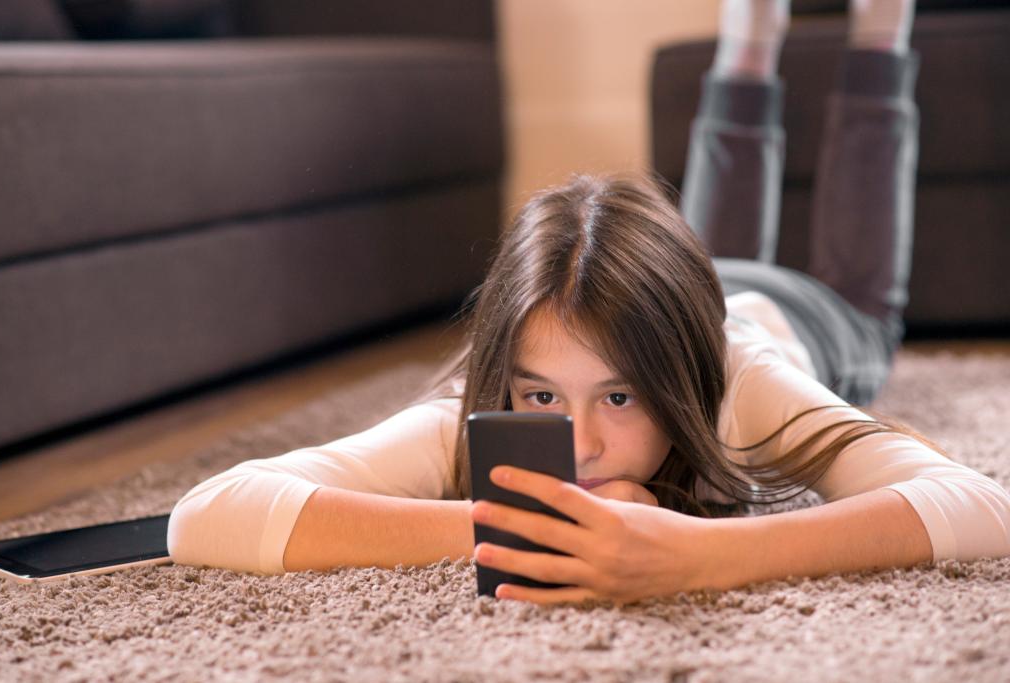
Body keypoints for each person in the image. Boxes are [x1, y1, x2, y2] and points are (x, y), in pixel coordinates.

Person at [166, 0, 1010, 605]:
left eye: (619, 395)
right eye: (543, 397)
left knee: (866, 292)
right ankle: (748, 41)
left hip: (800, 316)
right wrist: (511, 522)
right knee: (697, 249)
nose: (580, 444)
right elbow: (209, 514)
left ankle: (880, 33)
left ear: (671, 380)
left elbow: (984, 506)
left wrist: (707, 552)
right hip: (683, 284)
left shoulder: (736, 384)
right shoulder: (486, 398)